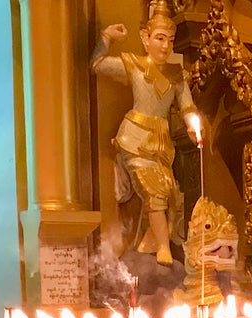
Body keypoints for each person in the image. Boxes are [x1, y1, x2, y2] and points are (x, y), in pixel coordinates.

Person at [92, 0, 199, 266]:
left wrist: (192, 124)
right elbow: (97, 64)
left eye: (170, 40)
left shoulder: (176, 75)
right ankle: (162, 248)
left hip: (162, 144)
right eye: (160, 38)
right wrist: (106, 38)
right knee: (153, 191)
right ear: (145, 38)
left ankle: (147, 245)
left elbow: (187, 106)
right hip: (135, 138)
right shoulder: (135, 66)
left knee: (172, 196)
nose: (165, 46)